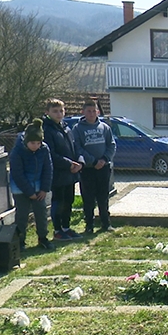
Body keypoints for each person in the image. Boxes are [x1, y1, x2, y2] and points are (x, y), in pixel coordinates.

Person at [72, 99, 116, 234]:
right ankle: (89, 225)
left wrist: (103, 159)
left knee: (103, 197)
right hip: (87, 170)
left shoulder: (104, 127)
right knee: (88, 198)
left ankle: (105, 223)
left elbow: (112, 145)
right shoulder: (77, 129)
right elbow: (77, 148)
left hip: (104, 168)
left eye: (93, 111)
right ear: (83, 112)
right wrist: (93, 161)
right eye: (88, 111)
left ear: (97, 111)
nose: (91, 114)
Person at [10, 119, 54, 251]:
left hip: (39, 187)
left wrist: (44, 189)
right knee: (22, 215)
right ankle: (20, 240)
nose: (35, 146)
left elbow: (48, 169)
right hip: (20, 189)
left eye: (38, 143)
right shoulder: (17, 152)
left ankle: (43, 238)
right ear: (26, 141)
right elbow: (17, 174)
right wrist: (29, 192)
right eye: (32, 143)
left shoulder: (44, 149)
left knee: (41, 213)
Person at [42, 98, 83, 241]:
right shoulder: (47, 130)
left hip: (70, 173)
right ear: (47, 112)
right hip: (58, 173)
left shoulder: (66, 127)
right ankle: (58, 230)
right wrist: (69, 164)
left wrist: (78, 162)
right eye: (55, 111)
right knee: (58, 202)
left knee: (69, 200)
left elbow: (73, 146)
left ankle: (66, 227)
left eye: (61, 111)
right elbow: (51, 154)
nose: (59, 114)